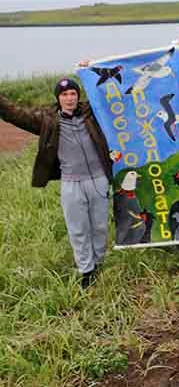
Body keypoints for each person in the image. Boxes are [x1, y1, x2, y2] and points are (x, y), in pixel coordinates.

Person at [0, 76, 113, 288]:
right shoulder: (47, 120)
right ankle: (86, 271)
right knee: (78, 229)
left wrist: (93, 71)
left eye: (73, 93)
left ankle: (99, 263)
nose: (69, 98)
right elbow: (15, 114)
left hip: (98, 180)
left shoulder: (92, 112)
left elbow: (110, 92)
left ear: (78, 96)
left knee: (99, 227)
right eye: (64, 94)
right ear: (58, 98)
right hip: (71, 183)